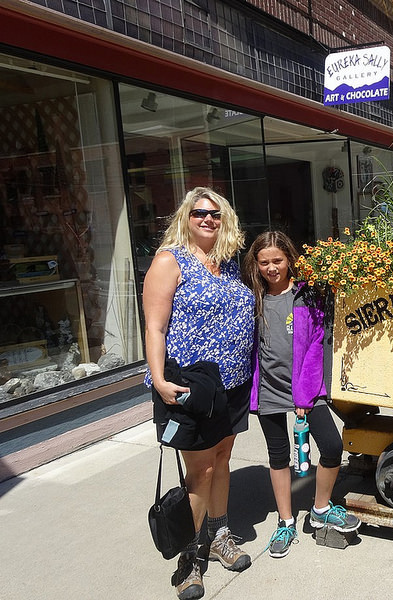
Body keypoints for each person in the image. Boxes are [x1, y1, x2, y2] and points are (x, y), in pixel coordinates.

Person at [143, 187, 255, 600]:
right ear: (186, 218)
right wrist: (158, 379)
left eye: (215, 214)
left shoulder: (227, 265)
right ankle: (189, 559)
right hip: (189, 386)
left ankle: (219, 533)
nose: (207, 220)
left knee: (222, 459)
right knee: (200, 471)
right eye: (199, 213)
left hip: (233, 383)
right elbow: (154, 327)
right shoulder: (169, 261)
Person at [241, 231, 360, 559]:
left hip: (305, 389)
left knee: (333, 446)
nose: (271, 268)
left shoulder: (309, 296)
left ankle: (321, 507)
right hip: (269, 389)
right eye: (263, 262)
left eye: (277, 260)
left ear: (290, 259)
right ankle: (286, 521)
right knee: (279, 456)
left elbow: (314, 347)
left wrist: (304, 398)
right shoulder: (255, 298)